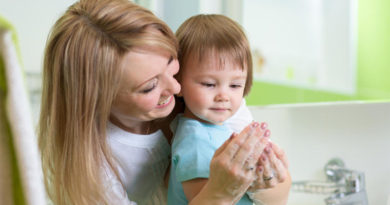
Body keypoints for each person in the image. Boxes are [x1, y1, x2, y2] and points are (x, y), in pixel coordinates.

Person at [38, 0, 290, 204]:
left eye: (172, 65)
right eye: (149, 86)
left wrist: (269, 185)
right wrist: (220, 194)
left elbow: (275, 193)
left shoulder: (207, 96)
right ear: (97, 98)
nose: (176, 87)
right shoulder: (91, 169)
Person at [167, 14, 290, 205]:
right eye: (209, 84)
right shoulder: (195, 140)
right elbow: (209, 199)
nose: (223, 96)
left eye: (235, 86)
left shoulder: (220, 129)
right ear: (178, 83)